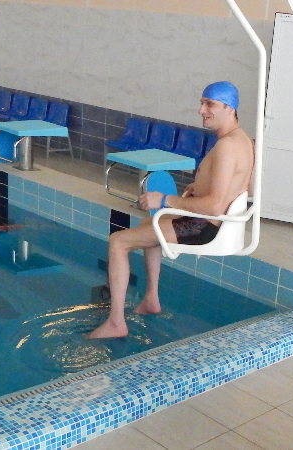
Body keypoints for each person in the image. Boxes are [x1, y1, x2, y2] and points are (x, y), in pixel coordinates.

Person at [88, 81, 254, 339]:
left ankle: (116, 323)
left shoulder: (227, 146)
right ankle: (151, 299)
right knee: (147, 225)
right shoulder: (242, 141)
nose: (201, 110)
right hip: (209, 221)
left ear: (229, 108)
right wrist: (200, 187)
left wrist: (165, 200)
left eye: (209, 104)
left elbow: (214, 205)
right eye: (201, 103)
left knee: (118, 242)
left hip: (203, 225)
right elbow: (246, 188)